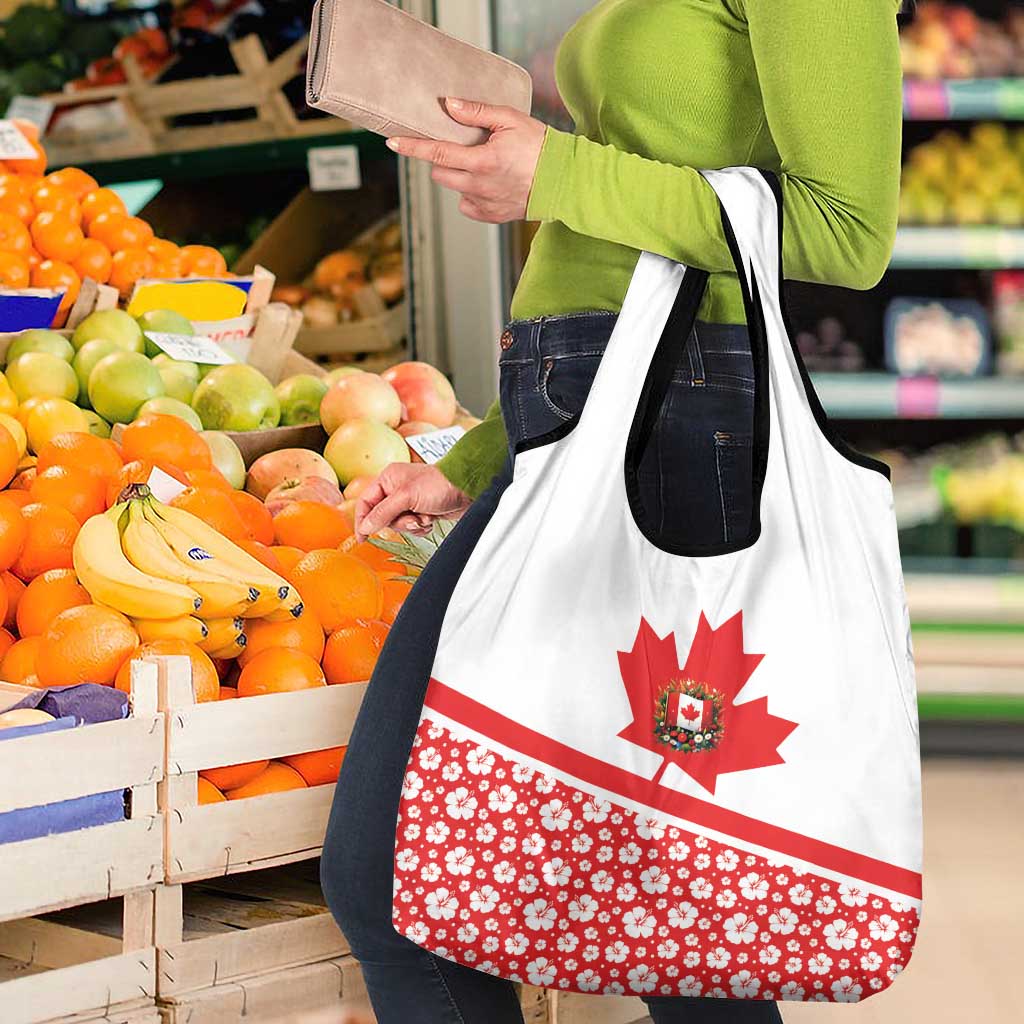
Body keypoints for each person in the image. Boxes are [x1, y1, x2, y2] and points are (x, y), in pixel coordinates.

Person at [321, 2, 905, 1021]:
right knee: (647, 922)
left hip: (681, 440)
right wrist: (480, 456)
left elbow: (846, 230)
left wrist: (556, 172)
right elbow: (621, 246)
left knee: (656, 928)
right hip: (588, 431)